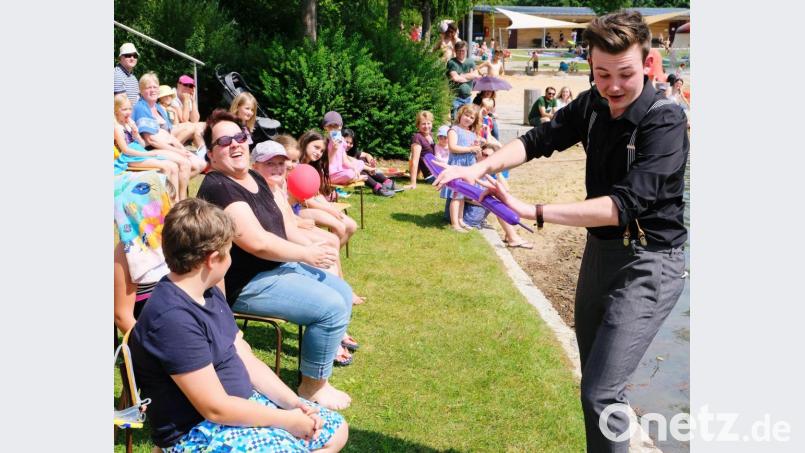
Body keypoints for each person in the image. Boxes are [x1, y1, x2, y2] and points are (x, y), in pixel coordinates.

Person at [435, 10, 688, 452]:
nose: (611, 86)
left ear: (647, 64)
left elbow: (623, 206)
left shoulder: (665, 121)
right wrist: (480, 165)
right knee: (595, 381)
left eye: (624, 74)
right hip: (599, 253)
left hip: (650, 261)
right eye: (601, 73)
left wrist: (531, 209)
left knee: (602, 393)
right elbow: (537, 140)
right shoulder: (592, 104)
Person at [127, 198, 349, 451]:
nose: (231, 258)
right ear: (212, 259)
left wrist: (293, 404)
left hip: (240, 407)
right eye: (229, 250)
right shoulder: (172, 320)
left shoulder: (208, 292)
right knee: (294, 444)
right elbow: (215, 408)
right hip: (199, 430)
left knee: (335, 430)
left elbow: (245, 357)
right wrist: (286, 421)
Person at [196, 110, 355, 410]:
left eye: (240, 136)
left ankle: (317, 369)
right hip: (245, 283)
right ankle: (313, 387)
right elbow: (256, 242)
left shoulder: (255, 177)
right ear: (211, 155)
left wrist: (314, 242)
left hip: (274, 269)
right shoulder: (218, 185)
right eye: (224, 141)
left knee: (342, 292)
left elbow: (284, 224)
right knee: (331, 308)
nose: (235, 144)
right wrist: (307, 254)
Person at [132, 72, 204, 199]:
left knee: (200, 164)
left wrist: (181, 148)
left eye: (155, 87)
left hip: (164, 146)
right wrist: (177, 151)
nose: (153, 90)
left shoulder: (158, 108)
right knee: (184, 163)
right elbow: (151, 140)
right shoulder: (141, 108)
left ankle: (173, 194)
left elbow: (168, 134)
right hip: (149, 149)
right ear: (141, 90)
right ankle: (179, 202)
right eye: (148, 87)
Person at [297, 130, 359, 248]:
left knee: (351, 225)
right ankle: (328, 259)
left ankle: (329, 258)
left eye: (321, 151)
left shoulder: (313, 166)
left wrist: (330, 207)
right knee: (340, 226)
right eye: (316, 147)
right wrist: (329, 210)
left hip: (310, 205)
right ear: (305, 143)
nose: (318, 153)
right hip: (297, 209)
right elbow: (303, 199)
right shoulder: (295, 165)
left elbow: (317, 194)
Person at [113, 94, 181, 195]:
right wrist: (148, 154)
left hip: (139, 153)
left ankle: (176, 201)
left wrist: (136, 132)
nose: (128, 112)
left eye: (130, 109)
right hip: (129, 158)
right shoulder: (117, 128)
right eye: (124, 109)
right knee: (165, 167)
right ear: (116, 110)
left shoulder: (128, 124)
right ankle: (163, 201)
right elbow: (125, 150)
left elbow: (143, 144)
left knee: (174, 166)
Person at [441, 104, 484, 233]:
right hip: (457, 166)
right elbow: (453, 147)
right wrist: (470, 148)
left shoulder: (472, 134)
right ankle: (455, 224)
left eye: (471, 117)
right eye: (466, 115)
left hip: (468, 168)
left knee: (463, 195)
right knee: (456, 195)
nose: (468, 119)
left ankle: (460, 220)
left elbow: (477, 155)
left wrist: (476, 149)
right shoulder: (454, 130)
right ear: (460, 115)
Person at [342, 128, 396, 197]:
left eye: (351, 143)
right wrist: (368, 167)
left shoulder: (352, 151)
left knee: (363, 159)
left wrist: (371, 161)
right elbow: (350, 161)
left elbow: (366, 154)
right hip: (345, 173)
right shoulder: (339, 152)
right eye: (347, 142)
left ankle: (385, 182)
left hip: (357, 171)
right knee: (360, 166)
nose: (349, 145)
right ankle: (378, 187)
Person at [321, 111, 367, 186]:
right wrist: (334, 149)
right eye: (330, 126)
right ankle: (354, 178)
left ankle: (353, 177)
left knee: (360, 164)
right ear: (325, 127)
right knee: (349, 174)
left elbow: (344, 161)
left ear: (340, 126)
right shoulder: (324, 142)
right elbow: (326, 163)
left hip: (340, 170)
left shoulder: (341, 140)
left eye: (335, 125)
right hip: (329, 174)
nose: (333, 128)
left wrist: (353, 167)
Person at [447, 41, 480, 120]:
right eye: (459, 50)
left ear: (466, 51)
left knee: (467, 120)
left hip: (467, 97)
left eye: (463, 50)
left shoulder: (471, 62)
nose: (461, 52)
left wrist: (461, 75)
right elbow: (455, 78)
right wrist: (469, 76)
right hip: (455, 97)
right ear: (455, 51)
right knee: (455, 120)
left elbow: (475, 75)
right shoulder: (452, 62)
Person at [406, 110, 436, 189]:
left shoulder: (431, 136)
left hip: (438, 172)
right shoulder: (417, 137)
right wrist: (413, 183)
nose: (426, 126)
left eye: (428, 123)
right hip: (431, 176)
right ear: (418, 125)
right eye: (423, 124)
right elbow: (415, 161)